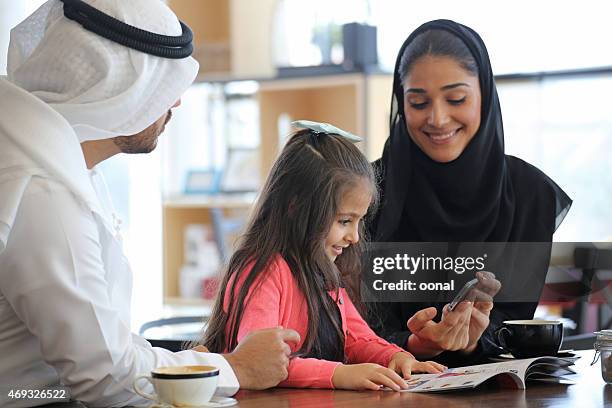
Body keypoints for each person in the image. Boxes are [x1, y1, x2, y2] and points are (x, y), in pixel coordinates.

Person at [0, 1, 298, 406]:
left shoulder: (57, 162)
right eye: (162, 87)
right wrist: (236, 368)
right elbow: (105, 377)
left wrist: (188, 364)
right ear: (118, 86)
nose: (174, 104)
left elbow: (106, 343)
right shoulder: (46, 191)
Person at [367, 19, 572, 366]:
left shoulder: (530, 196)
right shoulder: (368, 193)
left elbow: (510, 323)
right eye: (418, 103)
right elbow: (349, 327)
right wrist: (414, 343)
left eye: (456, 98)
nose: (438, 118)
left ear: (485, 94)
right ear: (402, 103)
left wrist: (473, 341)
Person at [200, 121, 446, 391]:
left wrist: (395, 356)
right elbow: (261, 361)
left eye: (358, 221)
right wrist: (339, 374)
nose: (354, 237)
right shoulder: (262, 270)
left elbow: (355, 336)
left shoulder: (323, 270)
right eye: (344, 221)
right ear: (296, 207)